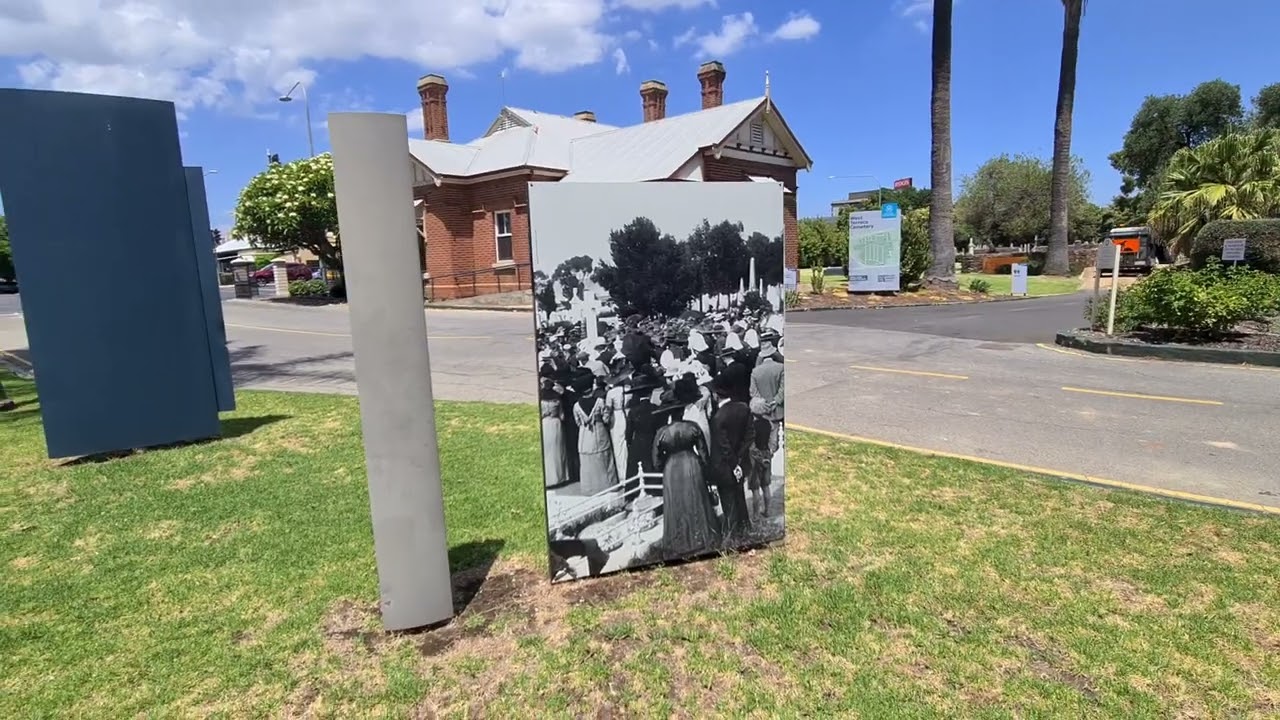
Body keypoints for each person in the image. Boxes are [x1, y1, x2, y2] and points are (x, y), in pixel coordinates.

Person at [651, 396, 720, 558]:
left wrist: (665, 466)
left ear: (668, 413)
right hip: (691, 464)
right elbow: (704, 454)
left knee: (676, 503)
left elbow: (656, 461)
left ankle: (678, 542)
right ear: (682, 411)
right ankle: (701, 538)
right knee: (695, 499)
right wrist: (703, 469)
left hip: (671, 468)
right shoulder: (693, 427)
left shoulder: (662, 432)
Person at [708, 363, 754, 541]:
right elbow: (750, 436)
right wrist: (741, 459)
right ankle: (745, 528)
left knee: (728, 501)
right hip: (741, 462)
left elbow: (723, 445)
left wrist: (734, 465)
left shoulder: (718, 417)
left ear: (716, 394)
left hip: (725, 466)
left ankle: (732, 534)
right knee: (740, 496)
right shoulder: (743, 408)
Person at [574, 377, 619, 495]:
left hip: (584, 436)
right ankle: (608, 485)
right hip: (599, 432)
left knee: (587, 462)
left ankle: (590, 488)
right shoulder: (599, 401)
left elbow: (578, 422)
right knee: (604, 458)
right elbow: (605, 419)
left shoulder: (576, 405)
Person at [539, 378, 569, 488]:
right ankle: (559, 477)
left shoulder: (541, 400)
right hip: (556, 424)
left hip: (544, 423)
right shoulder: (557, 399)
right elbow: (562, 416)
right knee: (558, 450)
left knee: (546, 451)